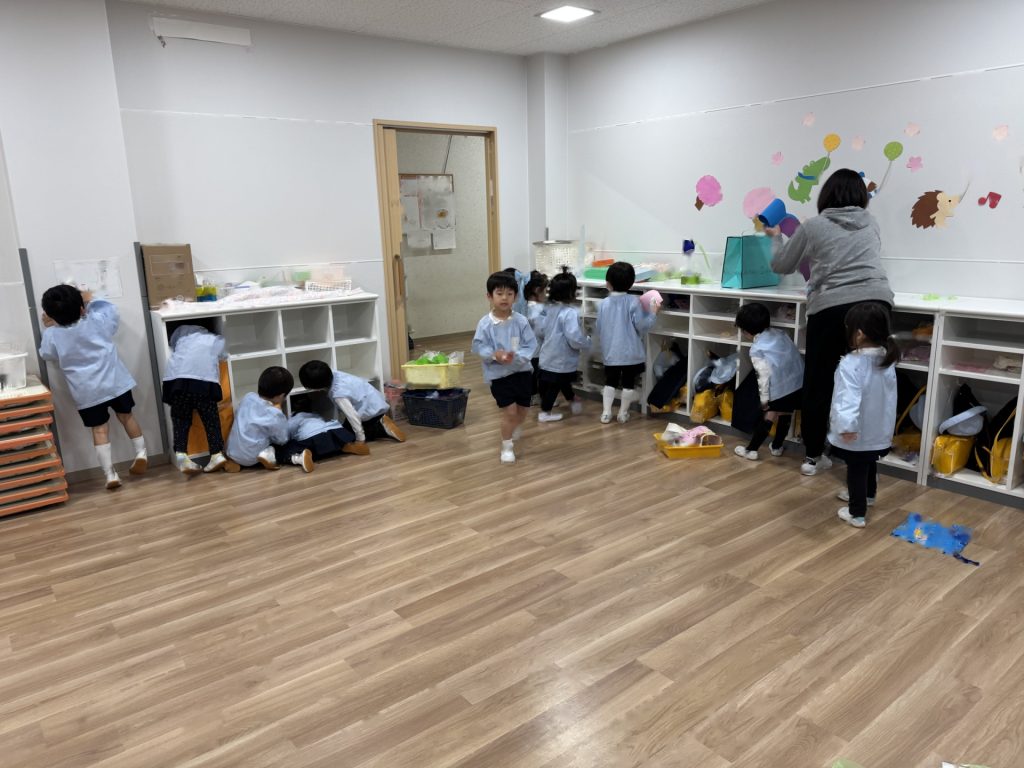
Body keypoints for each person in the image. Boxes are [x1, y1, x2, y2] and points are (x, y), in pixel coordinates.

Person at [768, 168, 894, 476]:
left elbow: (781, 264)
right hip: (876, 303)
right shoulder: (871, 222)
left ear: (826, 195)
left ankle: (813, 456)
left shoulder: (814, 226)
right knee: (870, 383)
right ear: (861, 196)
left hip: (832, 306)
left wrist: (776, 237)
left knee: (819, 381)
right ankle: (863, 460)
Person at [38, 285, 146, 490]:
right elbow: (111, 312)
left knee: (99, 430)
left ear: (50, 315)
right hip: (116, 383)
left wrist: (50, 327)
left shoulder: (52, 334)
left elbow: (47, 354)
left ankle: (110, 474)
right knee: (127, 417)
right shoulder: (96, 321)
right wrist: (90, 299)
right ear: (82, 309)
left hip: (87, 392)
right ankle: (141, 453)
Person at [828, 302, 898, 528]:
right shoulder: (886, 359)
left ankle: (856, 513)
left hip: (856, 429)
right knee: (869, 460)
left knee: (856, 468)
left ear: (858, 334)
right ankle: (869, 496)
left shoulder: (852, 363)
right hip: (879, 428)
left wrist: (847, 426)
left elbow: (848, 397)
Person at [472, 270, 538, 464]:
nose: (504, 298)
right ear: (489, 296)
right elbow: (479, 346)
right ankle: (507, 446)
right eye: (499, 293)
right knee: (509, 411)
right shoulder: (485, 324)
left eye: (509, 294)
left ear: (515, 297)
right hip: (499, 375)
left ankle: (514, 426)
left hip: (522, 372)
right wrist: (495, 354)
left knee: (523, 410)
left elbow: (531, 345)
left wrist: (517, 357)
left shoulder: (521, 321)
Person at [733, 302, 804, 460]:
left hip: (780, 387)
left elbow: (763, 377)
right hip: (798, 383)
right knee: (786, 412)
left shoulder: (757, 349)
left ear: (746, 332)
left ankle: (751, 450)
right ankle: (777, 446)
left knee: (770, 415)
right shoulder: (781, 333)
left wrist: (764, 399)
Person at [161, 322, 230, 475]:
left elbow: (172, 346)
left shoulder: (180, 336)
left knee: (181, 420)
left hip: (178, 382)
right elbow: (224, 354)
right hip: (203, 382)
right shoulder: (213, 339)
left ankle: (182, 455)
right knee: (211, 420)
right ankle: (216, 454)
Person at [595, 261, 657, 424]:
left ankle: (606, 413)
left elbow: (599, 327)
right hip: (630, 353)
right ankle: (623, 413)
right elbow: (642, 325)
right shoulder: (634, 302)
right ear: (631, 283)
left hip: (611, 353)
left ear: (608, 284)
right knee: (628, 383)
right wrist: (653, 313)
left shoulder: (603, 304)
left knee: (610, 382)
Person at [225, 366, 314, 472]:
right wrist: (280, 412)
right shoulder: (275, 414)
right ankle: (272, 454)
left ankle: (233, 462)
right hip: (253, 456)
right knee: (287, 443)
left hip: (231, 451)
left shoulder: (248, 397)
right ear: (281, 396)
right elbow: (283, 439)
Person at [297, 361, 405, 443]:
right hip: (376, 403)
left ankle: (380, 428)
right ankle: (381, 423)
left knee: (346, 437)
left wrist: (360, 439)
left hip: (369, 413)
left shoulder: (339, 394)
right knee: (347, 428)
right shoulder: (335, 373)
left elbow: (352, 416)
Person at [535, 268, 590, 422]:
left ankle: (572, 400)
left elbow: (540, 330)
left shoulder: (549, 309)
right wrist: (587, 341)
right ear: (571, 293)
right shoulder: (569, 313)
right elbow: (574, 338)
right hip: (561, 357)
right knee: (556, 384)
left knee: (559, 381)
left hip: (548, 354)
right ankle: (545, 412)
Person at [287, 390, 370, 460]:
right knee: (331, 442)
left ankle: (305, 455)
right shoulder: (315, 414)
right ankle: (346, 445)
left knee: (290, 446)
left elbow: (289, 434)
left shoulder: (293, 418)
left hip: (313, 437)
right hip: (334, 430)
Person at [523, 270, 549, 402]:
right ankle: (536, 397)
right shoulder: (535, 309)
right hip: (536, 349)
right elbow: (542, 330)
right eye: (544, 292)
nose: (546, 295)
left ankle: (534, 395)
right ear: (537, 291)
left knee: (533, 373)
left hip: (531, 348)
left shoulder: (529, 305)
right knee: (537, 374)